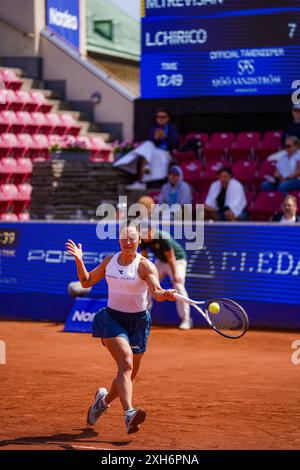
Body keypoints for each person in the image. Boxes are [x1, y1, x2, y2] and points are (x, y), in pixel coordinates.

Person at [65, 224, 176, 435]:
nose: (128, 241)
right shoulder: (110, 262)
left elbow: (156, 292)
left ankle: (102, 402)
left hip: (138, 322)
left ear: (139, 240)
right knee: (125, 362)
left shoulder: (145, 266)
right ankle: (129, 415)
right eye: (124, 238)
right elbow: (86, 281)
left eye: (132, 238)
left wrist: (165, 293)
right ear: (119, 240)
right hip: (112, 319)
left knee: (127, 375)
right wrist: (79, 260)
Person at [140, 225, 192, 330]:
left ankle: (186, 320)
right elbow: (144, 257)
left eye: (147, 233)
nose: (145, 237)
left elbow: (171, 257)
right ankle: (143, 318)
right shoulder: (143, 239)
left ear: (152, 230)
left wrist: (175, 274)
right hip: (161, 262)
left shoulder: (163, 237)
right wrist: (145, 273)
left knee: (178, 286)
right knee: (148, 285)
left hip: (177, 261)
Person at [114, 109, 179, 191]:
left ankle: (141, 180)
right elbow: (151, 142)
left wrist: (165, 137)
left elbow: (175, 143)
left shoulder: (172, 128)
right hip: (152, 150)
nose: (161, 119)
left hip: (166, 151)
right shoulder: (153, 128)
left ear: (168, 118)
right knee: (148, 144)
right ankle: (145, 169)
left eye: (163, 117)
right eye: (158, 117)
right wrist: (156, 138)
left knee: (147, 150)